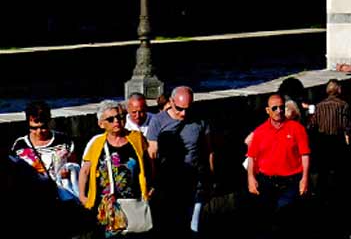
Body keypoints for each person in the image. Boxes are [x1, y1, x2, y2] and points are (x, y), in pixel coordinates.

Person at [145, 86, 211, 237]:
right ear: (171, 102)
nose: (184, 113)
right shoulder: (158, 121)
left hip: (193, 180)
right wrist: (152, 182)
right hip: (167, 182)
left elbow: (208, 150)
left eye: (188, 108)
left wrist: (209, 175)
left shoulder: (200, 120)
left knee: (192, 225)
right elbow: (152, 154)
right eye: (179, 109)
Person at [81, 99, 151, 236]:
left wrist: (151, 187)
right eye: (111, 119)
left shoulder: (136, 138)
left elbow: (148, 163)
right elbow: (85, 170)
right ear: (101, 124)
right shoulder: (96, 143)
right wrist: (83, 196)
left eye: (120, 117)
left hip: (133, 201)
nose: (117, 121)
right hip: (106, 207)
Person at [246, 92, 310, 237]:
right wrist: (251, 178)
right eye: (274, 108)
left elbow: (305, 155)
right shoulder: (260, 132)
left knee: (286, 218)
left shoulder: (296, 129)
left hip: (291, 181)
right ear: (267, 110)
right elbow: (252, 157)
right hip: (266, 181)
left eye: (281, 107)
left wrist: (305, 179)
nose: (279, 111)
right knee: (266, 221)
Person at [11, 100, 77, 196]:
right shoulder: (19, 145)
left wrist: (67, 174)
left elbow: (76, 167)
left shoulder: (64, 141)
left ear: (49, 121)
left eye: (43, 127)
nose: (39, 132)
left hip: (62, 196)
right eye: (34, 128)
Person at [308, 80, 351, 196]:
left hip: (322, 141)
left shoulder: (319, 106)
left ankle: (322, 193)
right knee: (338, 170)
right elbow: (346, 125)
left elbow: (312, 125)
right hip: (337, 140)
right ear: (338, 90)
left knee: (323, 169)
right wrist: (348, 140)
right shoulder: (343, 105)